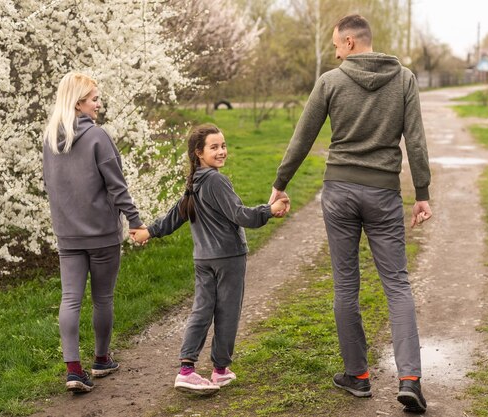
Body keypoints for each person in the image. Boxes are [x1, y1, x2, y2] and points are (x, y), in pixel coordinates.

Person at [269, 14, 432, 413]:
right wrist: (422, 193)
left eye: (337, 44)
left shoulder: (331, 81)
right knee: (397, 284)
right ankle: (409, 378)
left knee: (346, 284)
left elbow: (302, 136)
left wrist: (280, 183)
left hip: (339, 191)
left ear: (352, 42)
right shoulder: (404, 79)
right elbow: (416, 140)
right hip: (383, 192)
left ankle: (357, 376)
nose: (335, 50)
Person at [131, 124, 289, 395]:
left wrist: (149, 231)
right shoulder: (216, 181)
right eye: (214, 147)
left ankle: (187, 369)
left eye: (223, 146)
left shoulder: (195, 182)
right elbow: (239, 215)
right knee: (227, 312)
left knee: (202, 310)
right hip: (228, 258)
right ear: (199, 153)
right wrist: (269, 210)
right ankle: (220, 370)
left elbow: (174, 216)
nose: (221, 151)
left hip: (202, 258)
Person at [43, 72, 145, 392]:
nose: (99, 104)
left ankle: (74, 370)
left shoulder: (48, 139)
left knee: (70, 299)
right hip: (101, 233)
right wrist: (136, 221)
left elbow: (51, 186)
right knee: (102, 298)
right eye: (94, 99)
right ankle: (101, 360)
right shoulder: (98, 136)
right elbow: (117, 187)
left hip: (67, 234)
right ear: (78, 104)